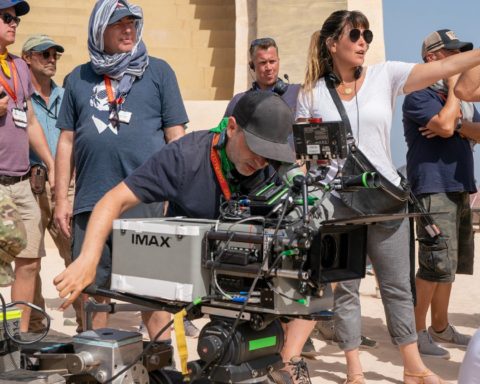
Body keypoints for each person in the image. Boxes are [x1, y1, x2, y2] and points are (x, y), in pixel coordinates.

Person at [292, 10, 480, 384]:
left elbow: (447, 67)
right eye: (355, 35)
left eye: (367, 35)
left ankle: (414, 368)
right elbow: (303, 156)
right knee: (345, 288)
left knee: (397, 285)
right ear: (333, 44)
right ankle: (354, 370)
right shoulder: (310, 93)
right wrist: (315, 155)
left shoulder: (385, 75)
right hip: (336, 200)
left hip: (385, 196)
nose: (363, 41)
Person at [53, 91, 296, 367]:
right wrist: (88, 259)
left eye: (270, 156)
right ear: (232, 128)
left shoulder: (272, 171)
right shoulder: (185, 157)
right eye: (256, 149)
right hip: (195, 280)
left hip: (249, 287)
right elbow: (114, 200)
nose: (262, 163)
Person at [54, 0, 187, 338]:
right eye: (118, 24)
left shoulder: (159, 72)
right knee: (92, 292)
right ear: (101, 30)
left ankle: (161, 367)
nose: (128, 29)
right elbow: (66, 142)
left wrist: (179, 195)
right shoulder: (78, 78)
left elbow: (176, 138)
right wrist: (60, 200)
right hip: (91, 202)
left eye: (132, 23)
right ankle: (93, 363)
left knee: (153, 296)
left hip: (147, 203)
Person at [402, 29, 478, 359]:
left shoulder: (455, 99)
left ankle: (441, 326)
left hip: (459, 184)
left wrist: (457, 123)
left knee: (449, 265)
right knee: (433, 264)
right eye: (452, 53)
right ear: (432, 58)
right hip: (433, 188)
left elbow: (467, 129)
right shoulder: (417, 94)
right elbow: (446, 126)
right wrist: (453, 95)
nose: (458, 59)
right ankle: (417, 332)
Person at [20, 34, 83, 333]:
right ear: (27, 58)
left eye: (55, 54)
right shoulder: (17, 95)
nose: (51, 59)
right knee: (29, 261)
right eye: (44, 54)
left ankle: (88, 325)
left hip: (65, 186)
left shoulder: (67, 96)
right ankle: (33, 329)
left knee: (76, 254)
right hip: (28, 184)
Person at [0, 0, 56, 333]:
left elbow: (30, 119)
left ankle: (18, 337)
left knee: (30, 261)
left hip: (22, 181)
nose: (13, 23)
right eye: (6, 17)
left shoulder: (19, 67)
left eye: (15, 19)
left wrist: (51, 163)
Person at [224, 37, 300, 116]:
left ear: (278, 62)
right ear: (252, 66)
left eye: (272, 61)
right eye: (263, 63)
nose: (269, 68)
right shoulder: (239, 101)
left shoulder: (298, 93)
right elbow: (223, 128)